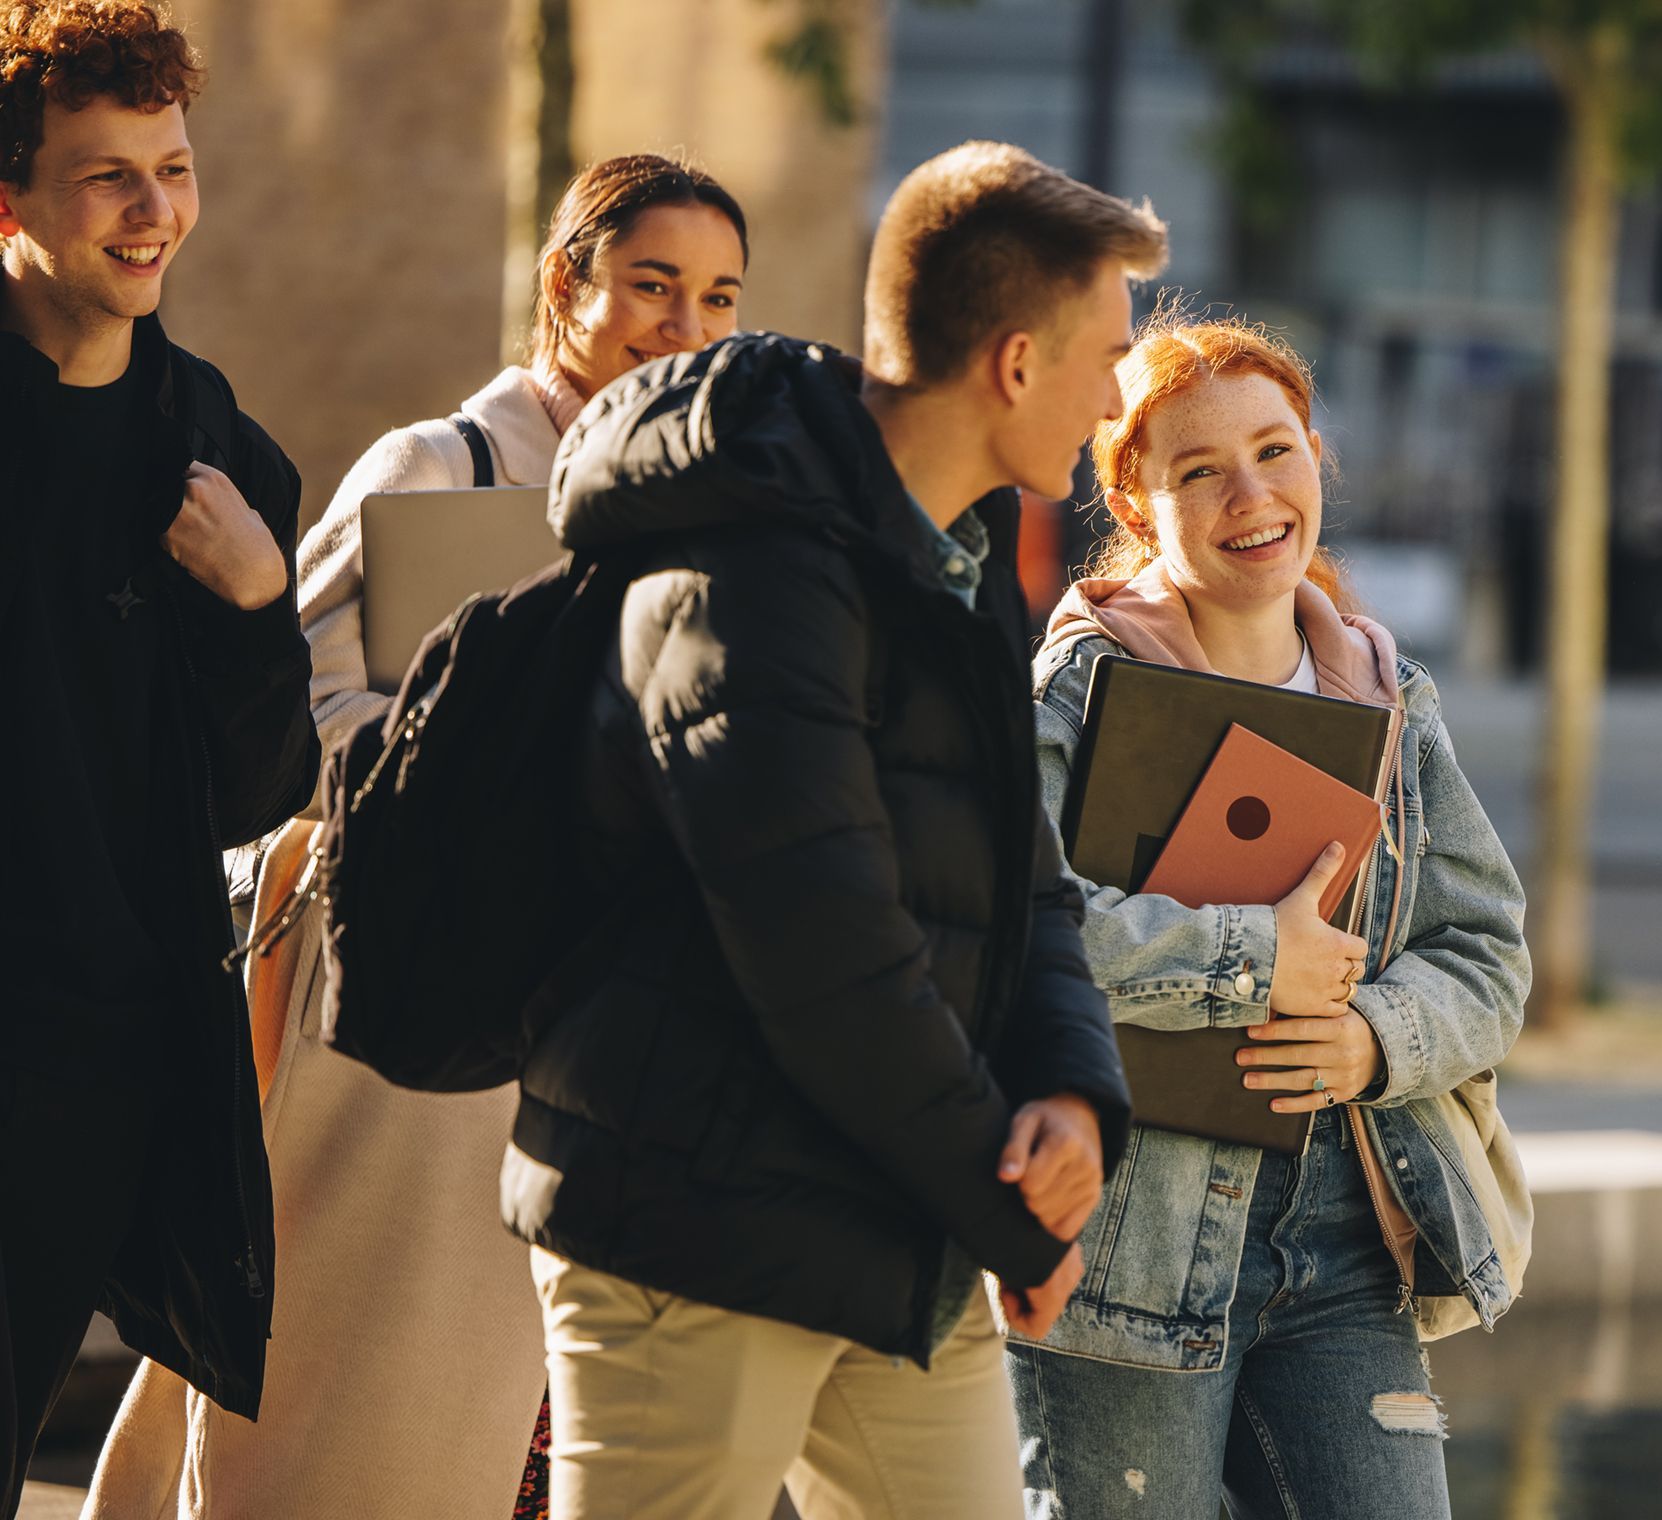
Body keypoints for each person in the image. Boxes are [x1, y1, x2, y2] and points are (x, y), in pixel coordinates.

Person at [81, 153, 749, 1520]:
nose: (685, 326)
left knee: (538, 1446)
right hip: (408, 1042)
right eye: (653, 285)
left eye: (720, 297)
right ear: (566, 284)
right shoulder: (443, 466)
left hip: (606, 1052)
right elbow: (296, 729)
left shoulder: (710, 514)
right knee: (357, 1424)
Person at [503, 140, 1161, 1520]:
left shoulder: (963, 548)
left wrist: (1071, 1090)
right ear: (1016, 364)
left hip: (895, 1210)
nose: (1116, 402)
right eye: (1108, 359)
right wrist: (1000, 1205)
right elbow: (827, 952)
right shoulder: (748, 569)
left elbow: (1023, 868)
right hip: (699, 1226)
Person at [1008, 315, 1532, 1519]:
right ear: (1136, 505)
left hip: (1347, 1251)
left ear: (1315, 460)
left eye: (1275, 450)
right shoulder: (1078, 693)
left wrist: (1374, 1038)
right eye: (1199, 470)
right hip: (1127, 1257)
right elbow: (1013, 926)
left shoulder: (1389, 695)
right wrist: (1255, 960)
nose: (1251, 496)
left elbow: (1489, 954)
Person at [0, 2, 319, 1511]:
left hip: (91, 1068)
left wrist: (257, 604)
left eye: (173, 169)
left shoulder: (217, 456)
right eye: (105, 176)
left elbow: (258, 793)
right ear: (11, 198)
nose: (152, 211)